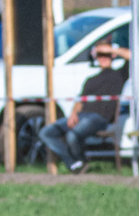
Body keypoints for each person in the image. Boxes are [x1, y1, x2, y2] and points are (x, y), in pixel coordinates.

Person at [39, 42, 128, 172]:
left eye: (106, 55)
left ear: (112, 56)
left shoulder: (119, 75)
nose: (103, 57)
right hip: (81, 116)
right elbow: (79, 101)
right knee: (46, 133)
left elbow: (130, 56)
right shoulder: (90, 80)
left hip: (99, 118)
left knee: (72, 135)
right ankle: (74, 163)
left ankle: (80, 163)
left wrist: (110, 49)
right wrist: (73, 114)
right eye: (99, 55)